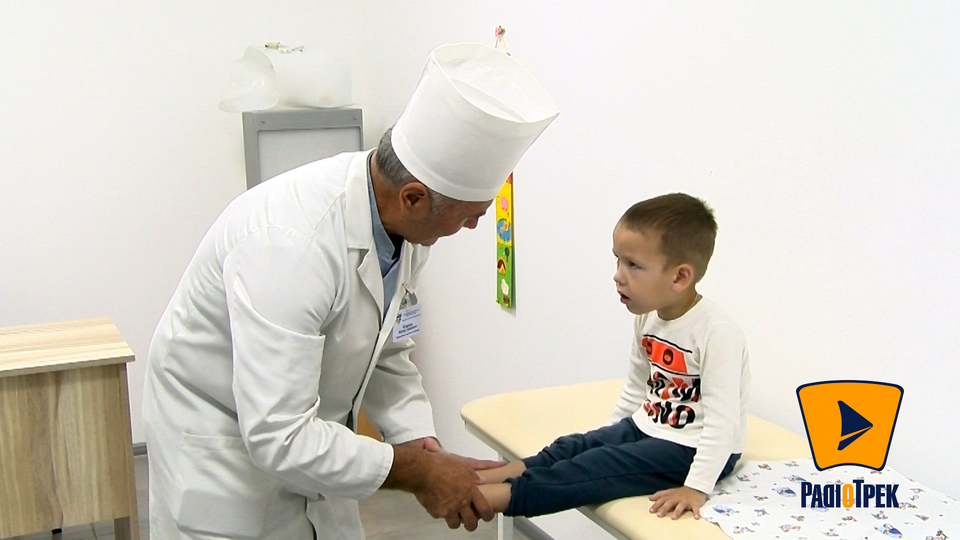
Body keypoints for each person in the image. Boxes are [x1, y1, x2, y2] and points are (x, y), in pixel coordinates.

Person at [142, 42, 558, 540]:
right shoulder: (289, 247)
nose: (471, 227)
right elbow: (277, 434)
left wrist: (420, 445)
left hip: (306, 435)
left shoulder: (402, 229)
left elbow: (388, 348)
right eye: (470, 215)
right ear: (414, 197)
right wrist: (418, 473)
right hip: (223, 446)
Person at [477, 193, 751, 520]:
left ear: (679, 277)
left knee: (591, 468)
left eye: (633, 265)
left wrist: (696, 487)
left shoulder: (717, 333)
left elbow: (723, 424)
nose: (618, 275)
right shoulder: (647, 317)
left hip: (692, 448)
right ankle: (483, 478)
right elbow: (636, 389)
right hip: (649, 426)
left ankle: (481, 498)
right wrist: (605, 439)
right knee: (574, 447)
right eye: (618, 260)